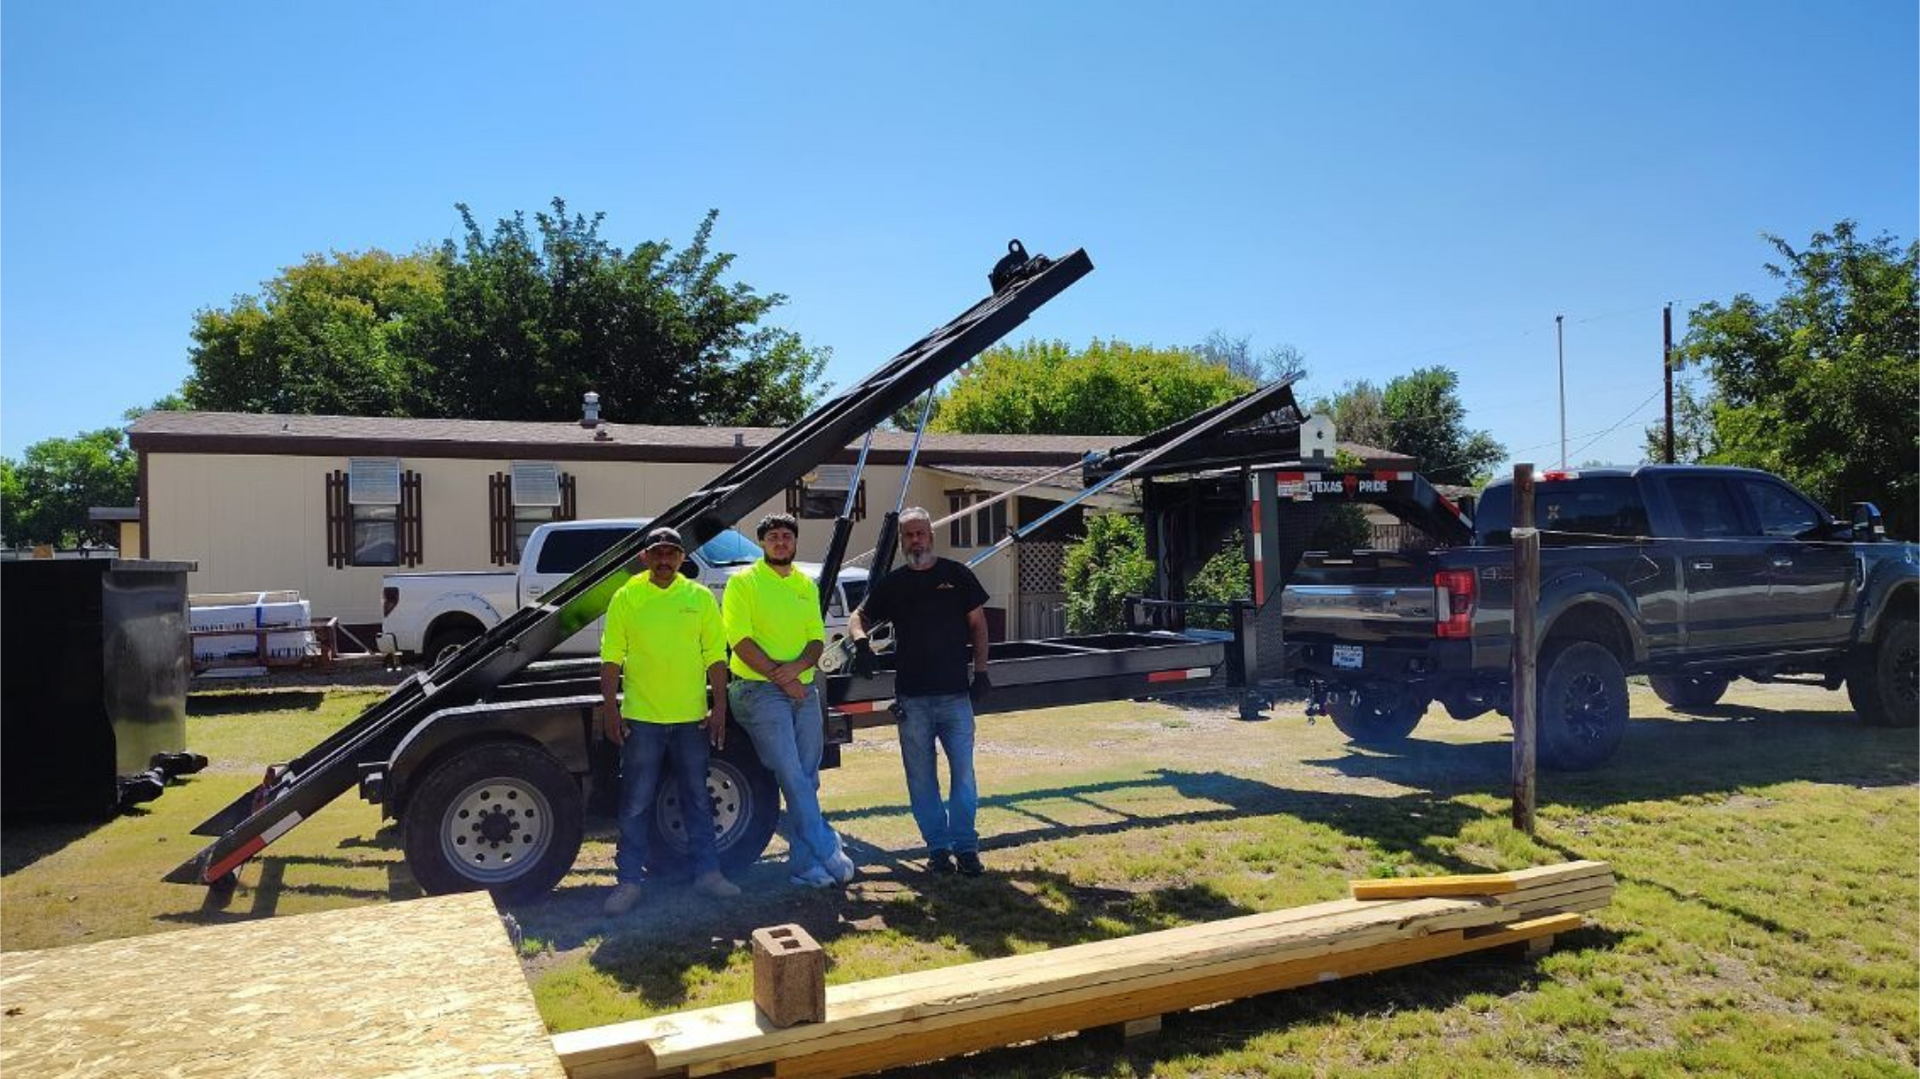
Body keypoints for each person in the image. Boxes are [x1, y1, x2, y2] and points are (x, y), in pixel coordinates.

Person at [599, 525, 742, 916]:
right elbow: (611, 657)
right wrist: (610, 709)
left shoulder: (699, 598)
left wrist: (719, 709)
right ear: (645, 558)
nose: (664, 560)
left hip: (691, 720)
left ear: (682, 559)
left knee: (697, 798)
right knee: (635, 803)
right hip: (642, 719)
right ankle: (629, 882)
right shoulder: (626, 597)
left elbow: (716, 657)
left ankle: (708, 874)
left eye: (671, 554)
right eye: (657, 553)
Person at [848, 506, 992, 876]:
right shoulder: (893, 584)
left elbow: (978, 625)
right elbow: (858, 617)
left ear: (931, 535)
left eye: (920, 533)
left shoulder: (956, 575)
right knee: (921, 778)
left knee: (964, 776)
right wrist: (862, 644)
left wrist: (981, 672)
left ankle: (967, 848)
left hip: (955, 696)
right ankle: (938, 850)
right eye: (908, 535)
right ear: (901, 541)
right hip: (912, 699)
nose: (916, 540)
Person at [723, 513, 856, 889]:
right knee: (791, 773)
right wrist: (781, 677)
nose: (780, 542)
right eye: (773, 537)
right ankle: (826, 845)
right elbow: (740, 641)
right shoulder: (743, 584)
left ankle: (804, 866)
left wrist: (796, 672)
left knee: (807, 778)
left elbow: (816, 640)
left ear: (795, 542)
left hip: (802, 687)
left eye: (786, 536)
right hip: (757, 690)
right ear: (762, 543)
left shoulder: (805, 585)